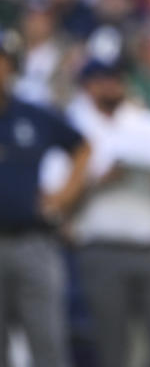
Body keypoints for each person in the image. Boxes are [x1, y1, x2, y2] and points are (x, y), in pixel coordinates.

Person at [67, 44, 150, 367]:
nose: (111, 85)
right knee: (113, 346)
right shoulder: (72, 125)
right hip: (101, 246)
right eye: (103, 78)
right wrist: (100, 179)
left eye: (116, 77)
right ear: (88, 83)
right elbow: (55, 193)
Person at [0, 28, 90, 367]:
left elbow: (82, 147)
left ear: (13, 66)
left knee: (48, 343)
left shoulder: (32, 114)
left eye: (2, 61)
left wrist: (62, 197)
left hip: (32, 241)